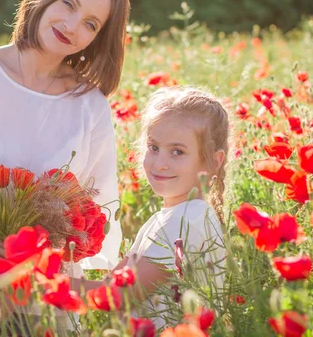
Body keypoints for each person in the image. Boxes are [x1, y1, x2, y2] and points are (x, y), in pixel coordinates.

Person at [0, 0, 130, 271]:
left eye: (90, 24)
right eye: (68, 4)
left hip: (43, 280)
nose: (71, 25)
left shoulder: (89, 104)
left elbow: (97, 204)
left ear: (98, 38)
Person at [80, 86, 229, 329]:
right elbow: (115, 281)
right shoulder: (174, 216)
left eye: (177, 152)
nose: (160, 163)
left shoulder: (184, 221)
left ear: (214, 160)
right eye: (154, 147)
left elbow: (116, 295)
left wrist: (42, 286)